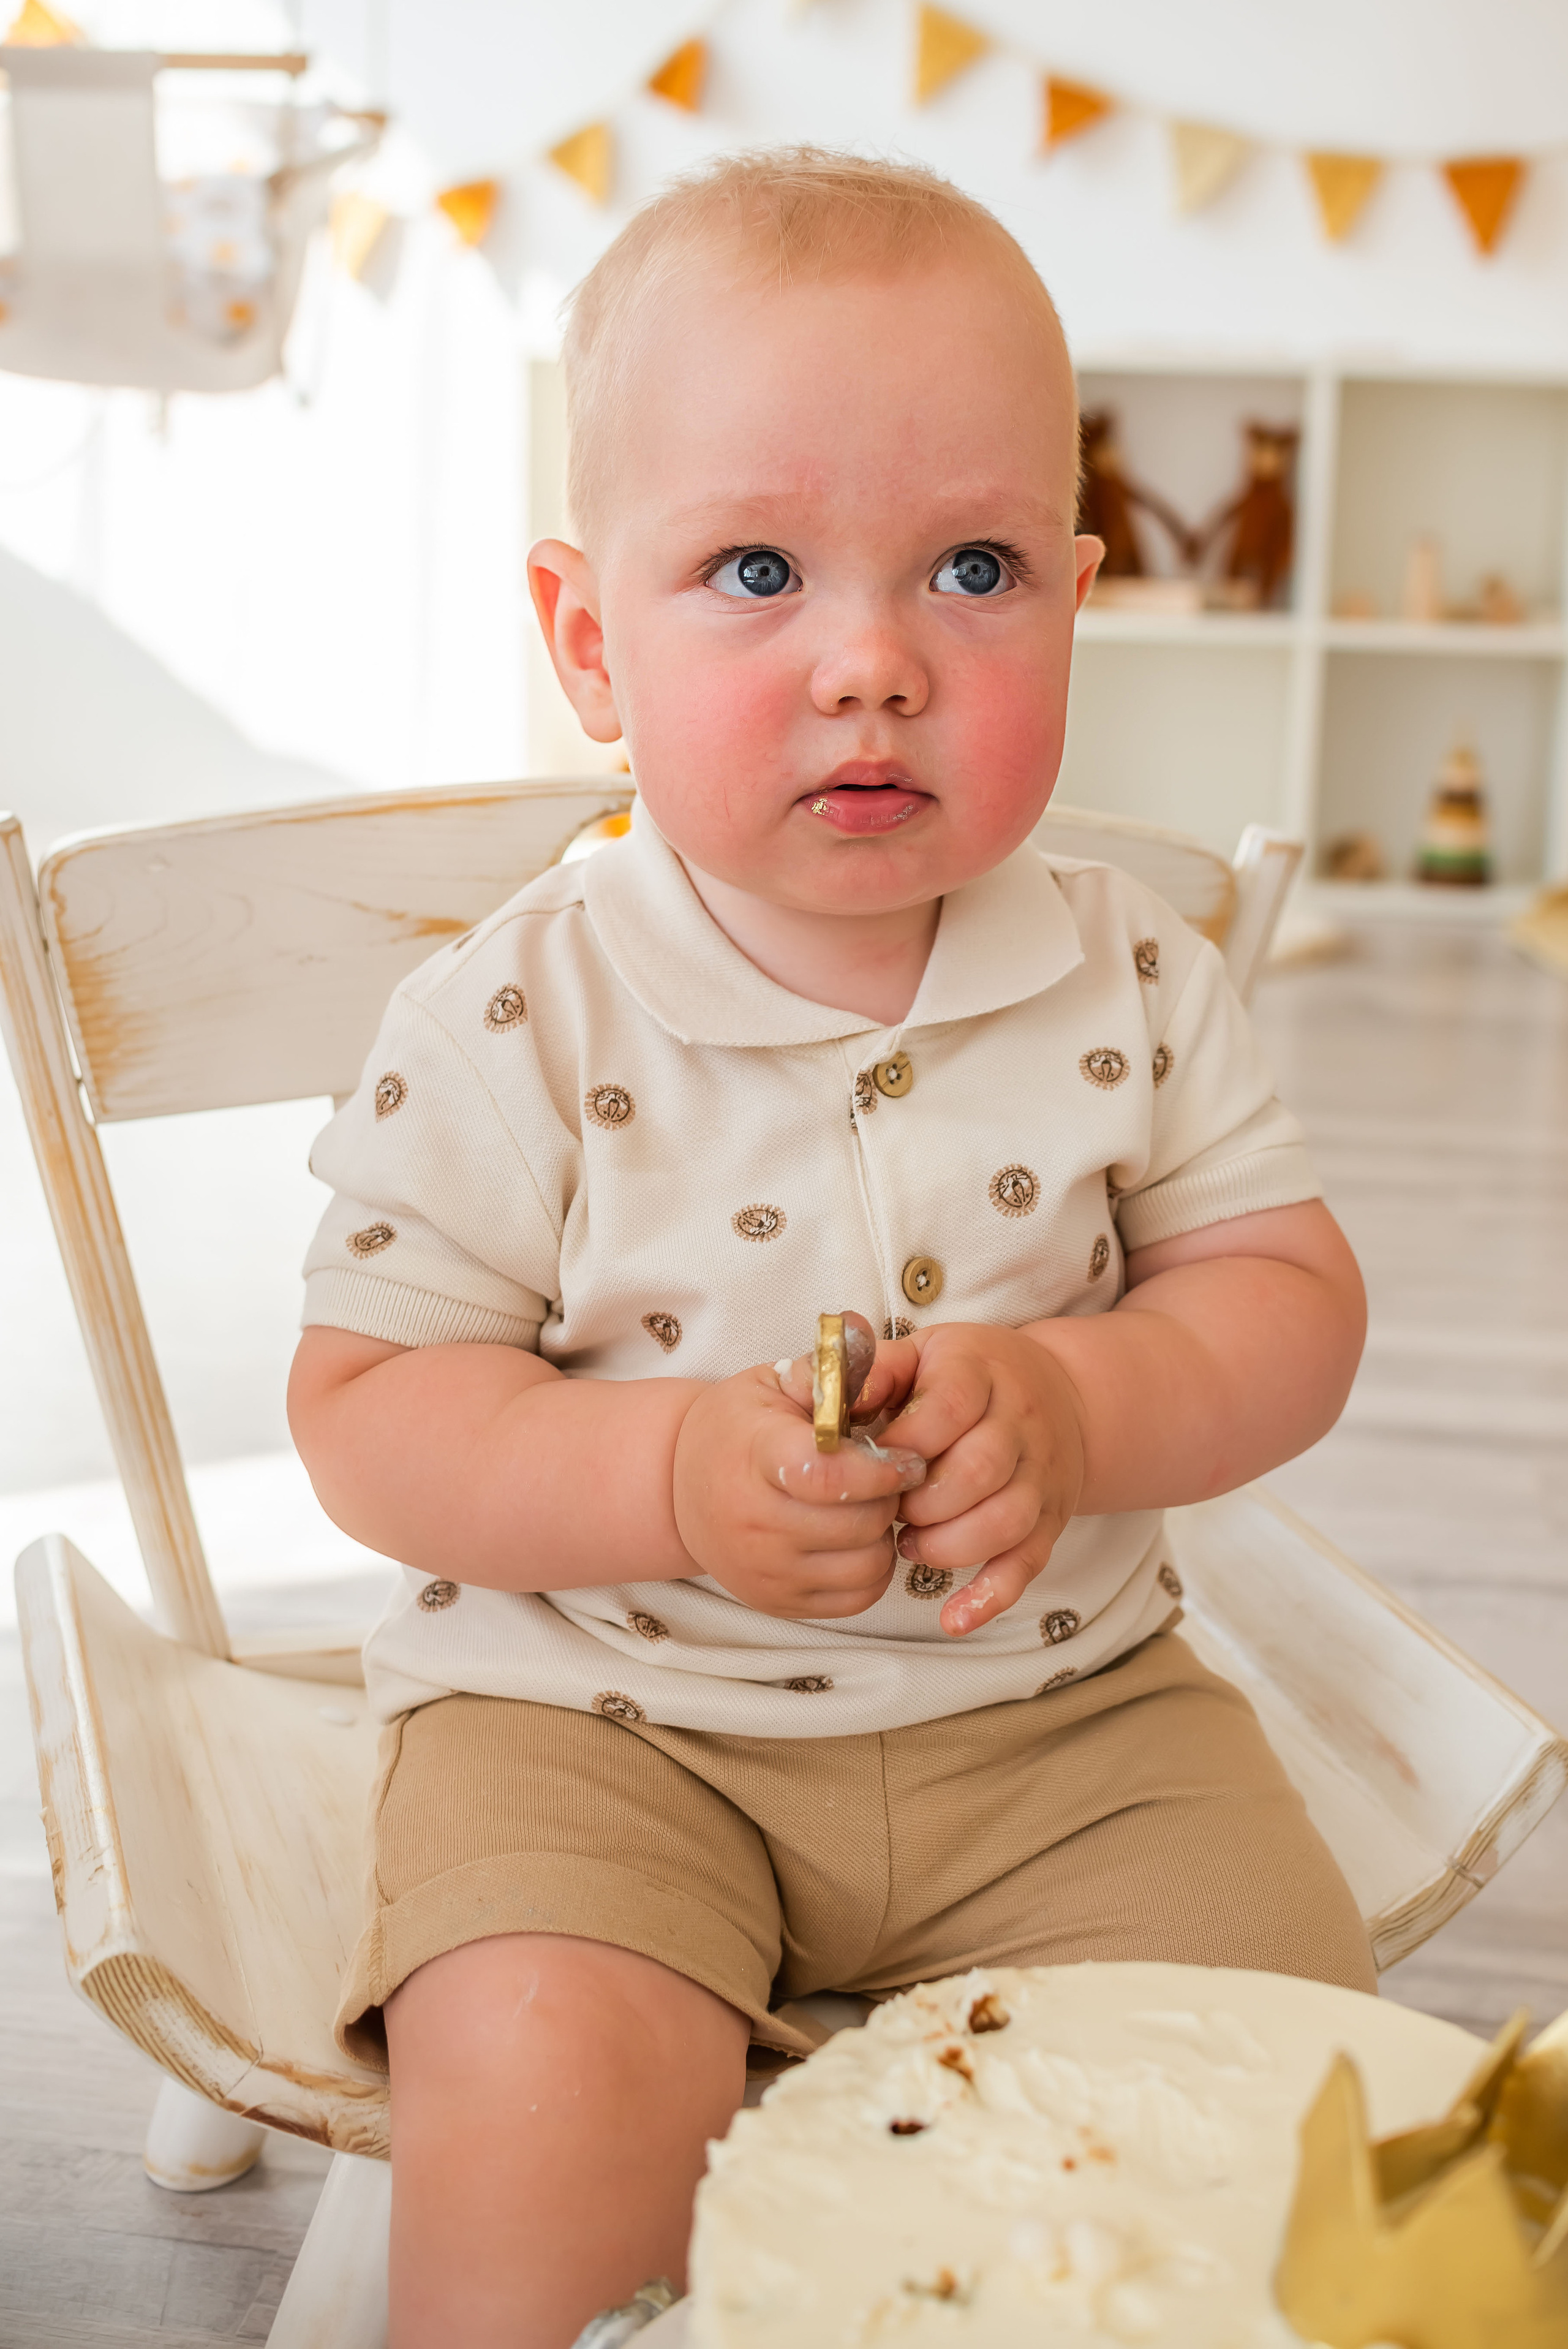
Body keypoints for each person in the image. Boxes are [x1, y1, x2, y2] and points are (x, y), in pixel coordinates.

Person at [288, 148, 1372, 2349]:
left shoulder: (1134, 976)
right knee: (547, 2097)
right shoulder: (516, 1014)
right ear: (591, 641)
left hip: (1069, 1725)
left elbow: (1284, 1304)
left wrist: (1079, 1399)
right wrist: (666, 1475)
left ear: (1077, 601)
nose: (873, 663)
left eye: (974, 569)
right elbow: (369, 1408)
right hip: (600, 1718)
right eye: (758, 571)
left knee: (1279, 2094)